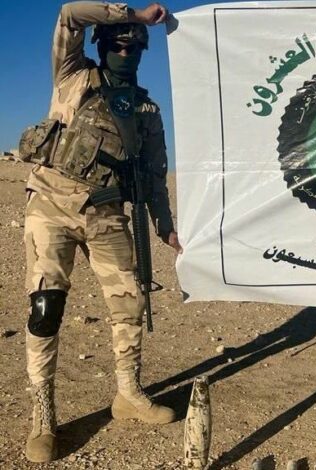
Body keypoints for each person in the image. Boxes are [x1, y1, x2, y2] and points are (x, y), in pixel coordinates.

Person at [23, 2, 182, 462]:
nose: (125, 52)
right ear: (103, 43)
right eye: (118, 44)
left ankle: (128, 395)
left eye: (134, 47)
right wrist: (133, 15)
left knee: (129, 303)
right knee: (46, 306)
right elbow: (70, 14)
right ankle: (42, 414)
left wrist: (166, 227)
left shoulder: (147, 109)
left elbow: (154, 174)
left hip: (108, 214)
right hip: (51, 204)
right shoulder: (72, 74)